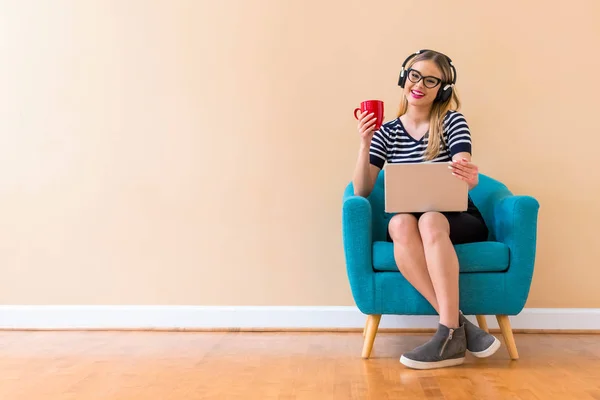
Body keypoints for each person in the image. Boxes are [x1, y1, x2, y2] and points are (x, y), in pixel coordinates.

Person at [352, 49, 500, 370]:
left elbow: (462, 163)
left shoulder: (452, 121)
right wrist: (365, 143)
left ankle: (448, 334)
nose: (420, 84)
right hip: (413, 221)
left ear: (442, 90)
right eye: (415, 75)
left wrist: (468, 176)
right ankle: (457, 329)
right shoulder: (387, 132)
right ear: (405, 78)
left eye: (431, 80)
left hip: (457, 219)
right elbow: (362, 189)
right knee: (400, 224)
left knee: (431, 219)